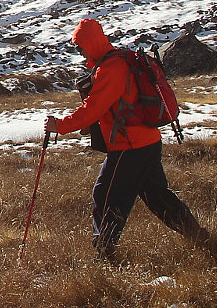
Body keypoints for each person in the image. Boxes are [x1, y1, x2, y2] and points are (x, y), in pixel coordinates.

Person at [44, 18, 207, 261]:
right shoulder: (119, 59)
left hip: (129, 146)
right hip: (148, 140)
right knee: (157, 196)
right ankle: (198, 236)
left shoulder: (111, 68)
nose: (80, 52)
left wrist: (60, 126)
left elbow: (93, 108)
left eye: (81, 46)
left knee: (106, 195)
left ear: (91, 42)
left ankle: (105, 251)